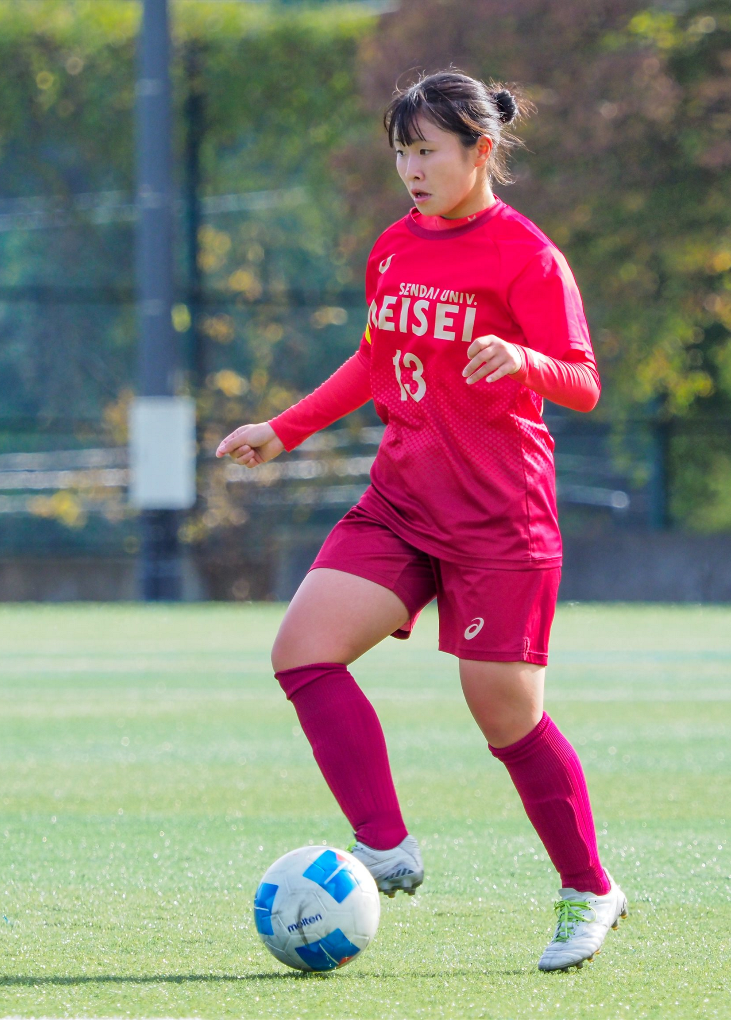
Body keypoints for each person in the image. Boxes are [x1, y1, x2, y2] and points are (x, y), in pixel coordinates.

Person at [217, 71, 624, 971]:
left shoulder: (527, 255)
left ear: (480, 152)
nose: (410, 167)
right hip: (400, 502)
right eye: (401, 150)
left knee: (506, 719)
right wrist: (284, 429)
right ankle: (384, 842)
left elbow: (583, 381)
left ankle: (589, 890)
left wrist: (522, 358)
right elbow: (374, 358)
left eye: (427, 149)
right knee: (302, 651)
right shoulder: (394, 248)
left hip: (499, 519)